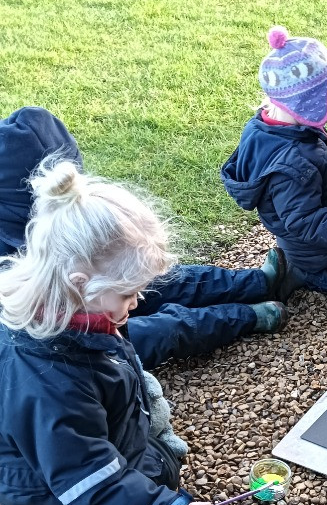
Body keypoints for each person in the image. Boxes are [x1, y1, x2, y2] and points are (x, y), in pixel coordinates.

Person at [0, 159, 214, 505]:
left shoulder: (85, 312)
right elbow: (83, 472)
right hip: (45, 486)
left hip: (86, 447)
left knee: (166, 472)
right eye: (129, 294)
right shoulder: (45, 378)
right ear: (81, 283)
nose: (134, 304)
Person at [0, 107, 290, 370]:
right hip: (75, 338)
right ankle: (244, 318)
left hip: (96, 293)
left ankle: (256, 283)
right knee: (163, 328)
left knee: (161, 279)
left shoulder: (70, 209)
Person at [221, 28, 327, 296]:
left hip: (319, 227)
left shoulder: (270, 127)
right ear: (307, 102)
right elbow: (303, 220)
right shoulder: (293, 163)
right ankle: (305, 274)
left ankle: (313, 262)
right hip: (314, 248)